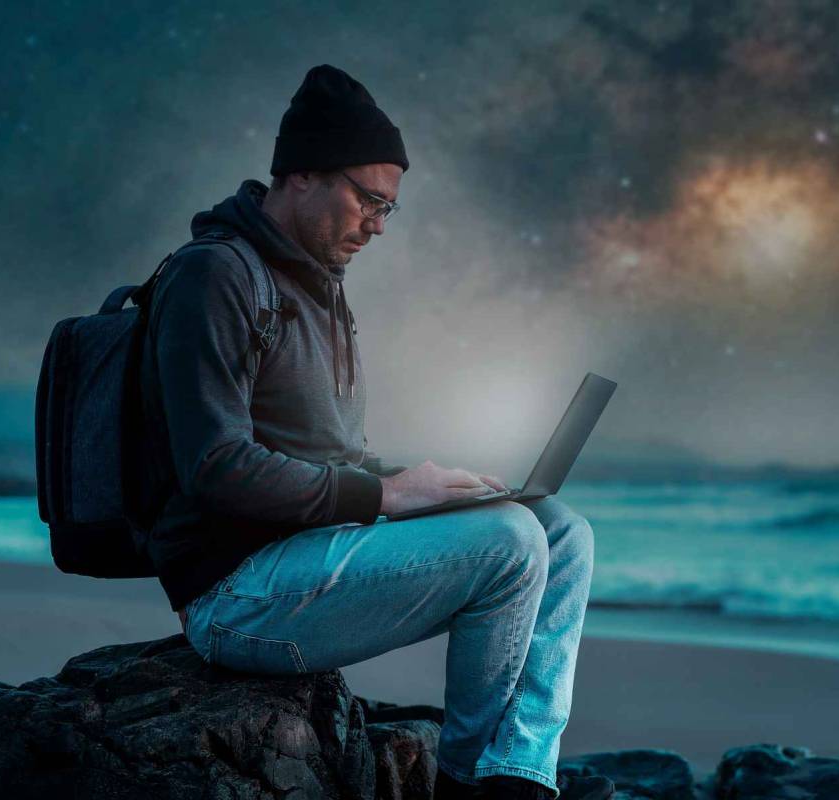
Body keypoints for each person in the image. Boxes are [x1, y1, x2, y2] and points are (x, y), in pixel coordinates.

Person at [138, 64, 613, 800]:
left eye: (391, 210)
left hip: (309, 554)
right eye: (369, 201)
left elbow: (327, 460)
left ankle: (518, 775)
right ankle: (463, 783)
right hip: (235, 595)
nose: (378, 226)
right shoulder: (216, 277)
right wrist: (387, 495)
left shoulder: (319, 286)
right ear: (301, 175)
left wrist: (430, 488)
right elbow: (217, 467)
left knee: (558, 531)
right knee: (509, 542)